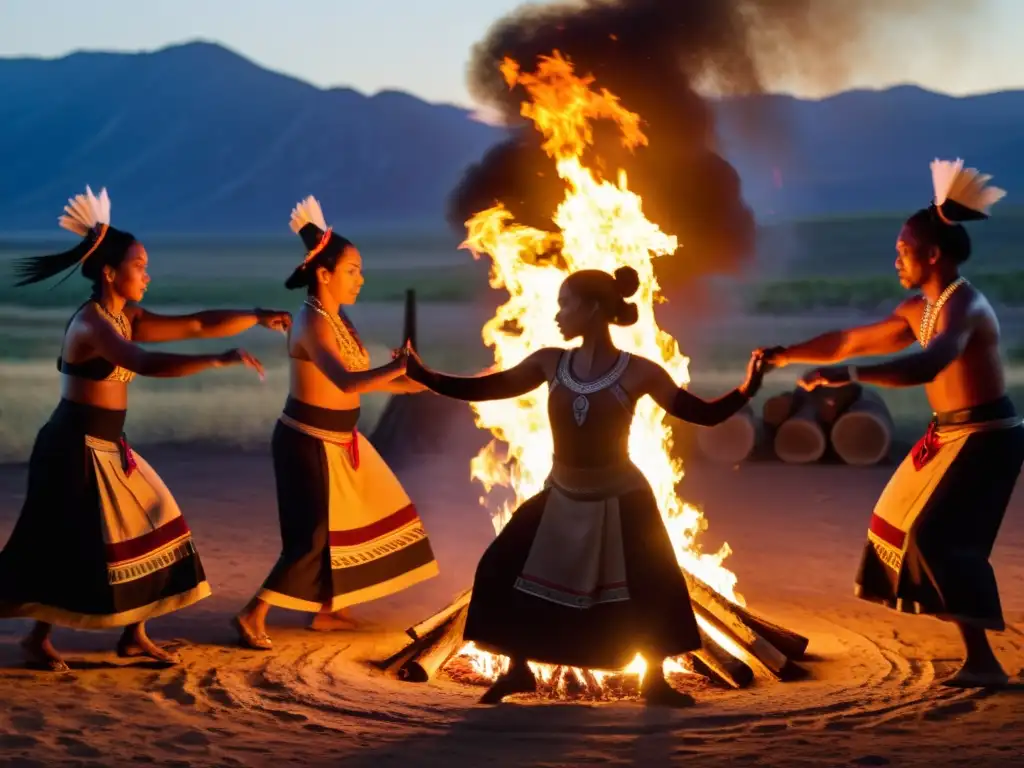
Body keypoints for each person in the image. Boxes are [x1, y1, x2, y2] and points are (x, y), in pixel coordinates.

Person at [404, 265, 767, 706]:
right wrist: (426, 377)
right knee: (501, 566)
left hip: (623, 498)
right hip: (561, 494)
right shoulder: (550, 361)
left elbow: (702, 415)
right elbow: (489, 388)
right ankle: (518, 669)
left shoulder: (639, 372)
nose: (557, 314)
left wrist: (748, 388)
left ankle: (654, 680)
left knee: (651, 584)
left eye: (566, 304)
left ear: (593, 308)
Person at [0, 185, 290, 672]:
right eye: (139, 265)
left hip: (108, 445)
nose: (147, 274)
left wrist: (256, 317)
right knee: (59, 544)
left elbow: (196, 324)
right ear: (110, 272)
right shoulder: (94, 324)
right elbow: (142, 361)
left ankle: (134, 634)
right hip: (72, 447)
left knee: (158, 518)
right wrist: (217, 361)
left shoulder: (126, 315)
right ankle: (37, 640)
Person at [760, 158, 1020, 688]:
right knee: (895, 525)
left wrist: (849, 375)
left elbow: (929, 364)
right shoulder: (917, 309)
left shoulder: (963, 306)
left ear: (932, 254)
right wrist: (785, 355)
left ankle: (983, 663)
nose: (895, 258)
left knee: (939, 537)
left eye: (903, 250)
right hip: (948, 435)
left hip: (987, 437)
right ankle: (978, 656)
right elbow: (847, 340)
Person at [233, 196, 437, 650]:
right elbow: (346, 381)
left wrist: (427, 382)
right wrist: (399, 367)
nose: (360, 279)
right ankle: (252, 614)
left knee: (358, 518)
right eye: (352, 270)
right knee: (312, 536)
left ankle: (329, 611)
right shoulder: (310, 322)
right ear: (322, 274)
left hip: (340, 440)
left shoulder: (337, 320)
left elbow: (369, 382)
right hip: (307, 441)